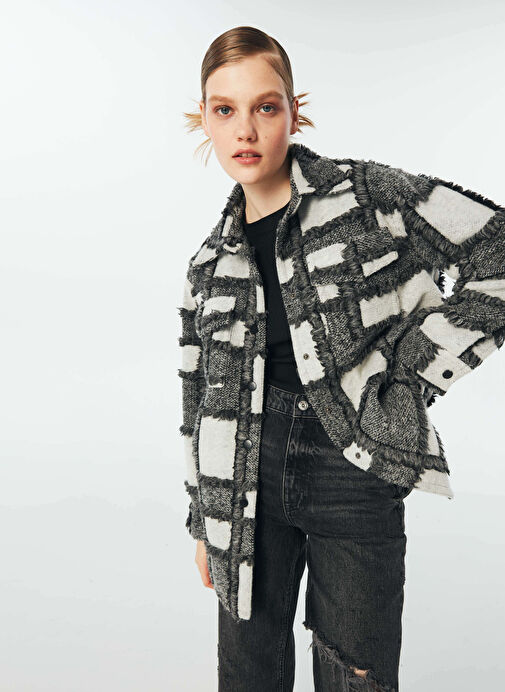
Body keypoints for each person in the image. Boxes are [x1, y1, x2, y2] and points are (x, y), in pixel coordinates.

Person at [178, 25, 505, 692]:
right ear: (202, 120)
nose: (245, 130)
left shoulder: (366, 196)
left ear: (294, 111)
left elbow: (496, 246)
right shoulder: (208, 266)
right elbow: (197, 398)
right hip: (242, 478)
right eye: (225, 109)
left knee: (356, 676)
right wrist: (203, 520)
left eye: (265, 106)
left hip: (353, 460)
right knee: (247, 673)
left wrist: (409, 372)